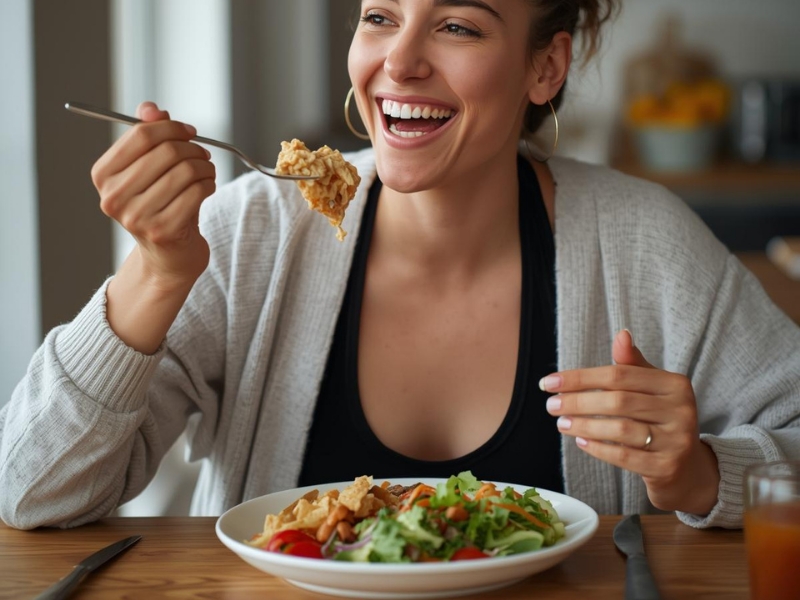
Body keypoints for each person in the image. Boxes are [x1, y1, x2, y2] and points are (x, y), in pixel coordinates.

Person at [1, 0, 798, 531]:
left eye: (458, 26)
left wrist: (699, 476)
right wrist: (157, 276)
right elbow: (29, 493)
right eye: (380, 15)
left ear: (545, 68)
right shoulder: (249, 234)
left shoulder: (644, 241)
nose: (401, 61)